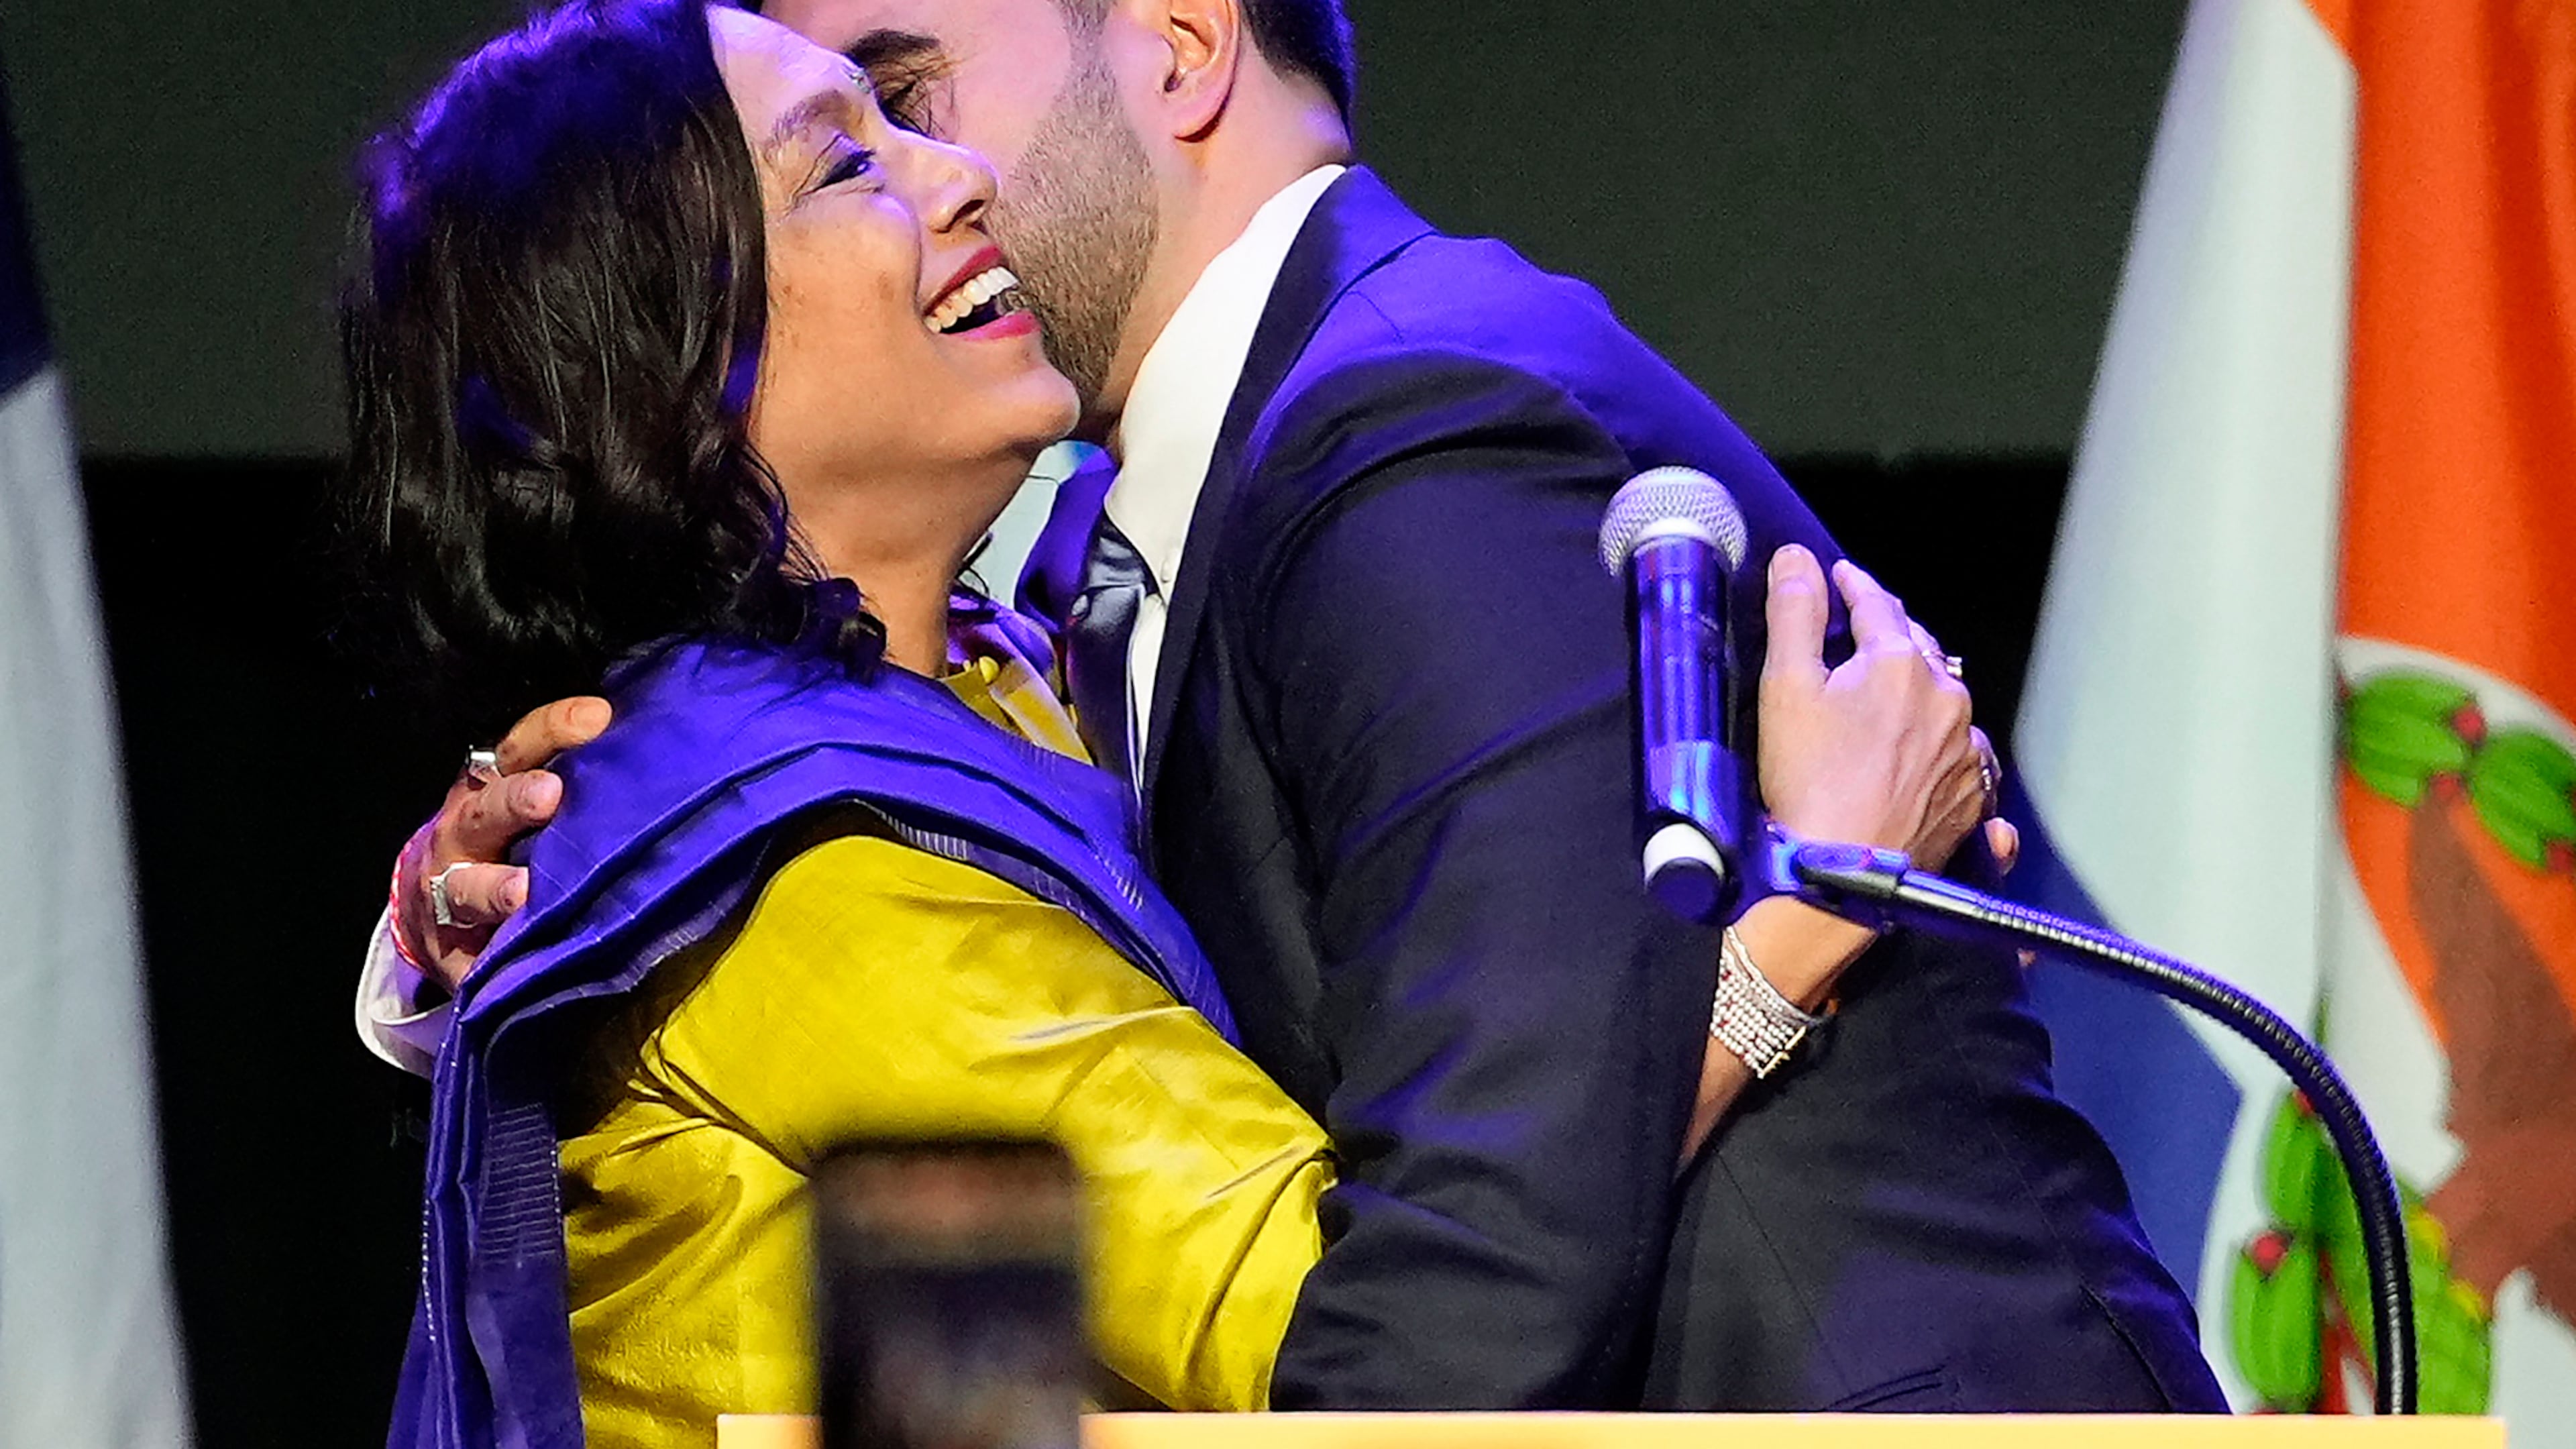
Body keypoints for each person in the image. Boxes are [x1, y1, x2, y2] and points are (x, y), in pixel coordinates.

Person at [372, 0, 2229, 1415]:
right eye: (865, 148)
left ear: (1181, 51)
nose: (957, 184)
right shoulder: (806, 857)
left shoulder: (1348, 459)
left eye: (918, 91)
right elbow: (1375, 1351)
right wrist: (1800, 914)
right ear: (676, 366)